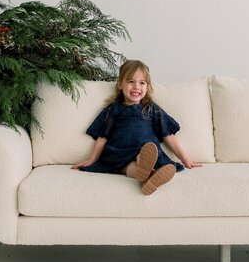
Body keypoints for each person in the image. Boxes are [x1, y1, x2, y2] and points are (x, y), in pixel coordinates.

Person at [72, 60, 201, 195]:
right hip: (120, 154)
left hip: (146, 151)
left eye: (142, 83)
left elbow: (168, 135)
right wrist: (92, 159)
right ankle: (148, 173)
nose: (136, 87)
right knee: (129, 167)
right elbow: (103, 136)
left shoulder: (151, 108)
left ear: (147, 87)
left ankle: (147, 173)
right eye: (131, 82)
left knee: (144, 156)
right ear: (119, 84)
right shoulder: (114, 108)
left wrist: (186, 159)